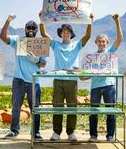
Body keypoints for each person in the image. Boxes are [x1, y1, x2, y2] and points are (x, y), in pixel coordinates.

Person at [40, 12, 93, 141]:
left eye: (68, 31)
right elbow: (43, 34)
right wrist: (41, 19)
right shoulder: (55, 44)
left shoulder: (76, 45)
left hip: (72, 81)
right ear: (60, 33)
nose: (65, 33)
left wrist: (90, 21)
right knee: (57, 107)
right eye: (63, 31)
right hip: (58, 80)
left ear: (71, 34)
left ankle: (71, 132)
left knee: (72, 107)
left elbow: (87, 36)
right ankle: (56, 133)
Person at [0, 14, 46, 141]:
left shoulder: (41, 44)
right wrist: (8, 21)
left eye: (33, 28)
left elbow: (43, 64)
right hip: (18, 80)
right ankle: (14, 131)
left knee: (35, 109)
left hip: (34, 80)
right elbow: (3, 37)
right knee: (16, 107)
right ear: (25, 29)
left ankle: (36, 132)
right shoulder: (17, 40)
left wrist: (37, 61)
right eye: (28, 28)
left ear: (36, 30)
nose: (30, 30)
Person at [88, 14, 123, 142]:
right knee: (94, 112)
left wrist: (117, 22)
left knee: (111, 111)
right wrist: (82, 75)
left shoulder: (110, 52)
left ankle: (110, 135)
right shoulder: (90, 57)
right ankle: (93, 135)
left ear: (107, 43)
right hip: (95, 86)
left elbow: (120, 38)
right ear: (96, 43)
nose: (102, 43)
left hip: (109, 85)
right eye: (100, 41)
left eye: (104, 41)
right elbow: (86, 75)